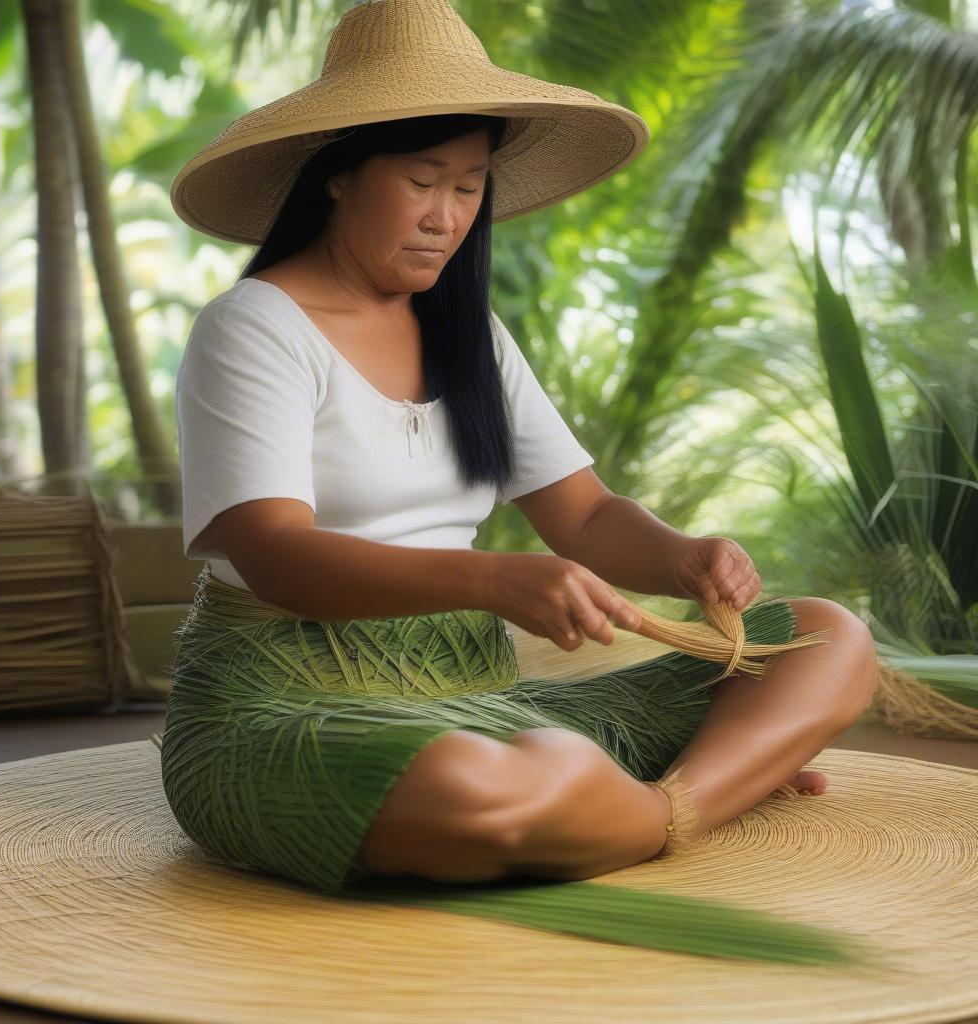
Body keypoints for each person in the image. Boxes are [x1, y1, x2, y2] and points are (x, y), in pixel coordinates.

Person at [160, 0, 879, 904]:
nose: (447, 217)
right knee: (478, 789)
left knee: (829, 637)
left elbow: (583, 513)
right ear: (338, 172)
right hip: (288, 705)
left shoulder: (469, 334)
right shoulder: (254, 326)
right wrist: (497, 581)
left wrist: (681, 555)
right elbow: (274, 557)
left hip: (486, 695)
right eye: (423, 180)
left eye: (469, 187)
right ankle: (691, 798)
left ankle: (633, 811)